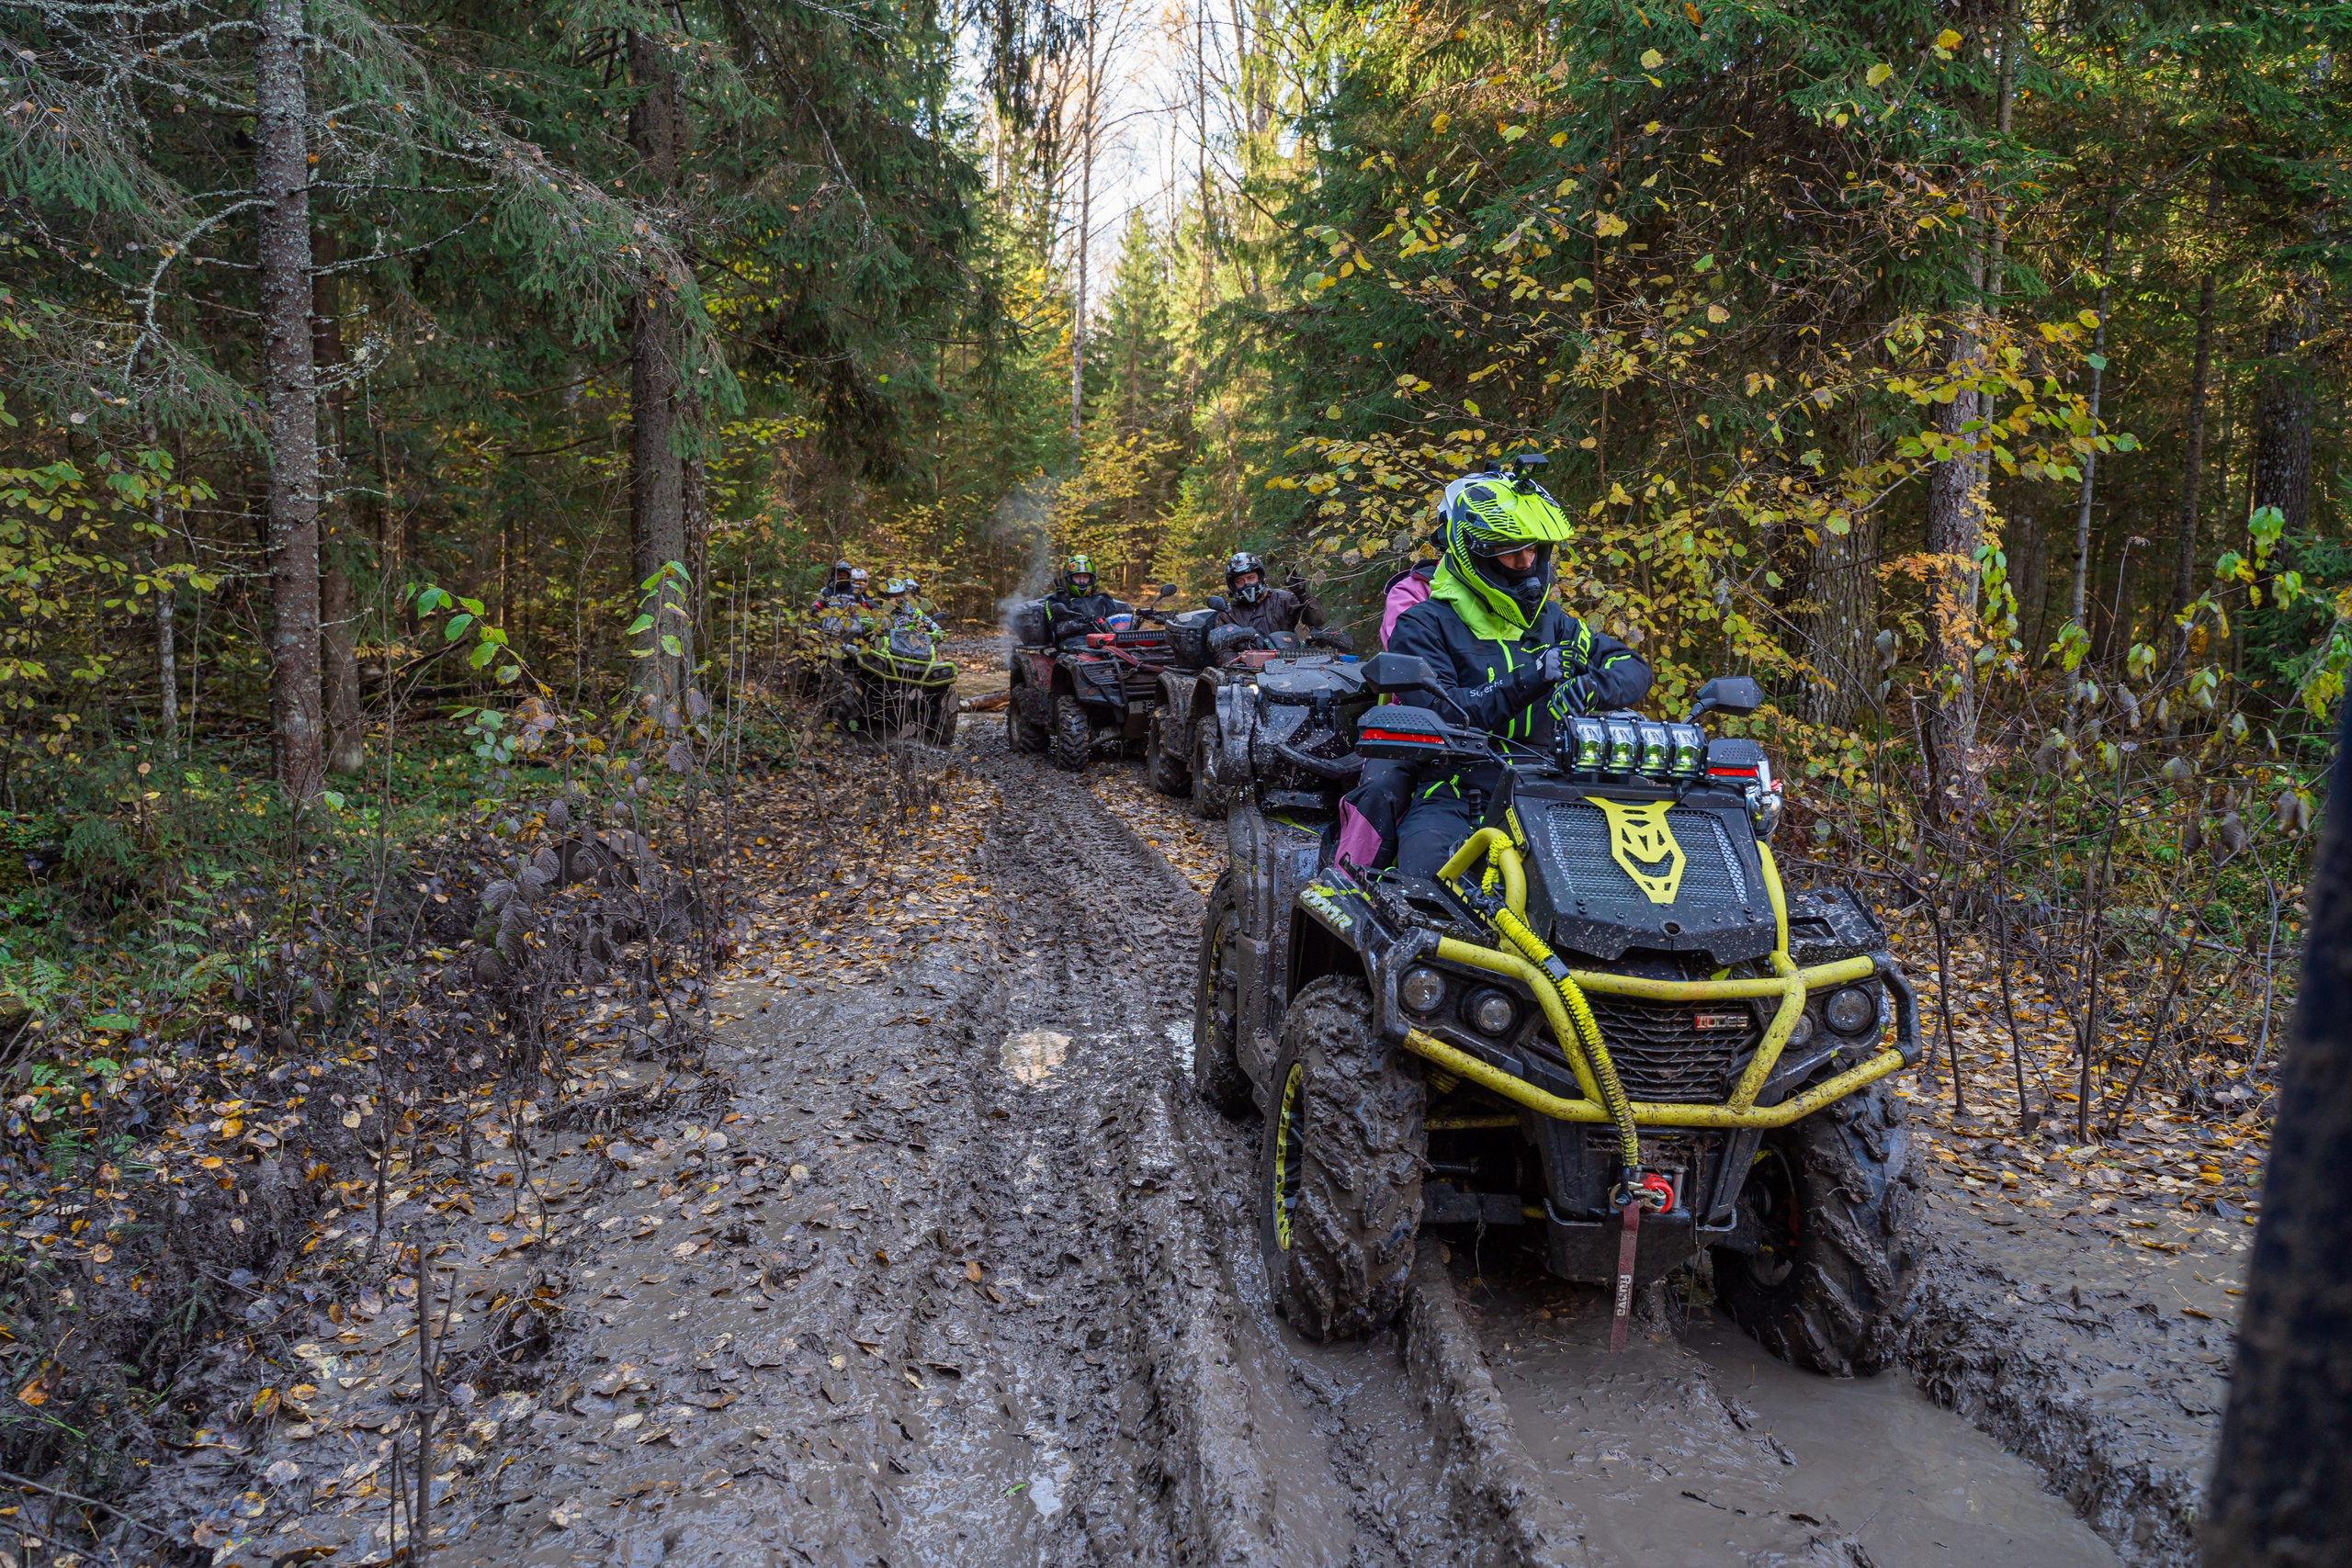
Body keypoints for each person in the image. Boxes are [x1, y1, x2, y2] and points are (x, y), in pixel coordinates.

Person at [1346, 464, 1650, 876]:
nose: (1527, 564)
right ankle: (1347, 883)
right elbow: (1447, 710)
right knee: (1424, 877)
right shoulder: (1422, 619)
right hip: (1456, 783)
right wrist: (1535, 675)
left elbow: (1632, 666)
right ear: (1475, 553)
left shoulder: (1553, 620)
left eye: (1534, 551)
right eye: (1512, 552)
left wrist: (1595, 687)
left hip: (1559, 786)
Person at [1211, 551, 1326, 639]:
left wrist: (1302, 594)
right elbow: (1223, 651)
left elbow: (1318, 621)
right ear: (1233, 585)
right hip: (1245, 668)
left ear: (1261, 578)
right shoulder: (1228, 615)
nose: (1247, 584)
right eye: (1240, 581)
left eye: (1251, 578)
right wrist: (1242, 664)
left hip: (1289, 664)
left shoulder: (1284, 600)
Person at [1043, 553, 1130, 643]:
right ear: (1069, 578)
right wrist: (1063, 603)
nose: (1081, 581)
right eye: (1077, 577)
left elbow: (1116, 624)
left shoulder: (1103, 599)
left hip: (1106, 642)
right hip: (1074, 644)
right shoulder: (1054, 600)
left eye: (1085, 577)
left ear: (1091, 578)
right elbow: (1058, 630)